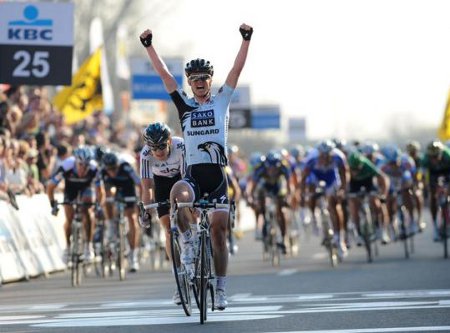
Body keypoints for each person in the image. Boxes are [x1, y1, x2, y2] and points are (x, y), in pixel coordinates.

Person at [140, 23, 253, 310]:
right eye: (194, 78)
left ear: (210, 80)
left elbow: (236, 72)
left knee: (218, 232)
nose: (199, 81)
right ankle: (188, 241)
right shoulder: (184, 106)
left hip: (216, 178)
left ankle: (222, 288)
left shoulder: (221, 102)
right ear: (189, 83)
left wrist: (245, 40)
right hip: (192, 177)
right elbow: (165, 76)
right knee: (176, 193)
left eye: (204, 77)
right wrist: (149, 46)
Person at [138, 122, 184, 303]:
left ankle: (192, 239)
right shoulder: (145, 154)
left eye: (162, 146)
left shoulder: (181, 145)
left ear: (169, 141)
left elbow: (188, 175)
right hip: (162, 184)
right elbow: (147, 187)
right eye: (154, 148)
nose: (158, 152)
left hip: (181, 178)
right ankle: (178, 277)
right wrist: (146, 209)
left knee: (188, 208)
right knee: (167, 228)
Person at [47, 146, 101, 262]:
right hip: (70, 188)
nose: (83, 168)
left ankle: (88, 246)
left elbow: (100, 191)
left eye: (86, 165)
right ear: (76, 162)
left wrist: (99, 204)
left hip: (86, 187)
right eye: (80, 164)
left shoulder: (94, 169)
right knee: (69, 218)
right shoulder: (67, 166)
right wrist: (53, 204)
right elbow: (50, 187)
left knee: (87, 210)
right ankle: (67, 247)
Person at [300, 140, 349, 259]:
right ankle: (314, 217)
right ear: (319, 154)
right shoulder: (311, 159)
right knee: (311, 195)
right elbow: (303, 178)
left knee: (334, 205)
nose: (326, 158)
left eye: (328, 155)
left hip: (332, 179)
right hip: (315, 178)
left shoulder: (338, 157)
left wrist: (342, 189)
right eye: (323, 155)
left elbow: (344, 174)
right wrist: (303, 193)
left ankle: (340, 238)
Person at [99, 151, 141, 272]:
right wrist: (100, 202)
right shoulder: (102, 171)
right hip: (114, 189)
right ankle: (111, 223)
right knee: (107, 197)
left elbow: (139, 183)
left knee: (132, 218)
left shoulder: (126, 167)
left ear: (118, 165)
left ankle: (133, 256)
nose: (112, 171)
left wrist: (141, 201)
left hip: (128, 190)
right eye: (109, 169)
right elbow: (98, 188)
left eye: (114, 168)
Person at [421, 140, 450, 241]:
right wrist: (424, 187)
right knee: (432, 196)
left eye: (436, 156)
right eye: (431, 157)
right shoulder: (425, 160)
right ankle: (435, 225)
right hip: (433, 174)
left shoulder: (448, 155)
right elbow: (422, 175)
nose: (434, 159)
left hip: (447, 171)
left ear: (441, 153)